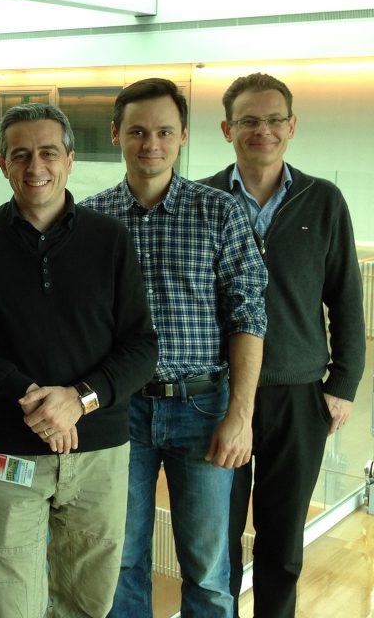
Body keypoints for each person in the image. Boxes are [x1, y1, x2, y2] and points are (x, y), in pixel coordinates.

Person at [0, 103, 158, 618]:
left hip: (98, 451)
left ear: (70, 159)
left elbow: (142, 346)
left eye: (48, 152)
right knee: (6, 602)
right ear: (2, 164)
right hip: (9, 450)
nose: (35, 166)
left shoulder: (110, 239)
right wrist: (29, 395)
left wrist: (79, 400)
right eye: (20, 155)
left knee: (88, 600)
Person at [81, 78, 268, 617]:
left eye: (164, 131)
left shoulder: (219, 212)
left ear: (183, 135)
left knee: (208, 568)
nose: (151, 144)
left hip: (203, 408)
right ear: (116, 134)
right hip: (119, 411)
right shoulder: (90, 220)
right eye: (138, 131)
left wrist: (241, 416)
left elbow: (249, 317)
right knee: (120, 560)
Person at [200, 72, 366, 618]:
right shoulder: (202, 200)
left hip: (298, 396)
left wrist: (342, 385)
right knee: (214, 540)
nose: (262, 130)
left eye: (274, 120)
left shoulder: (324, 201)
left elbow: (346, 299)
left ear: (292, 127)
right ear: (227, 129)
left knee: (282, 542)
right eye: (249, 120)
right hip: (216, 396)